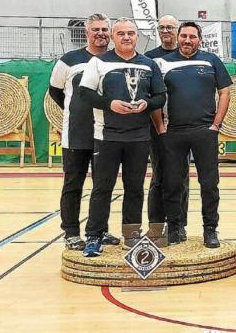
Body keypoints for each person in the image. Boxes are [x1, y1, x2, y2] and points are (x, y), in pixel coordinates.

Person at [79, 17, 166, 257]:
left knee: (135, 188)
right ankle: (94, 237)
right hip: (106, 136)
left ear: (137, 36)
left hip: (139, 137)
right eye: (121, 34)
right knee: (102, 188)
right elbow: (85, 93)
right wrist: (110, 104)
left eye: (131, 33)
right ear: (113, 37)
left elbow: (160, 97)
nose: (126, 37)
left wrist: (146, 104)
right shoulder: (99, 62)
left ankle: (131, 234)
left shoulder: (149, 64)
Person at [153, 21, 232, 248]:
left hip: (204, 132)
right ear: (178, 37)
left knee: (209, 184)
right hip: (173, 133)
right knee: (172, 183)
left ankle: (210, 230)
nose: (188, 40)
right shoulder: (162, 63)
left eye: (192, 37)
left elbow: (225, 91)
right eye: (184, 36)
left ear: (200, 39)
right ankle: (176, 227)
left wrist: (216, 124)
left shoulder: (211, 60)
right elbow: (155, 96)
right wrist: (160, 127)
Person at [48, 13, 119, 250]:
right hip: (76, 135)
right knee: (73, 184)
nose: (100, 33)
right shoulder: (69, 60)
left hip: (106, 135)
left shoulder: (115, 59)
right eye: (95, 29)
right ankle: (70, 232)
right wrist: (76, 112)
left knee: (103, 185)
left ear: (110, 33)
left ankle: (99, 230)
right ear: (86, 33)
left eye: (104, 29)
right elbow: (56, 92)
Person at [145, 15, 191, 240]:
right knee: (159, 176)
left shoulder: (186, 56)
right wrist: (159, 124)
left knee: (181, 176)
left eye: (170, 27)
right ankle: (155, 225)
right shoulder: (149, 58)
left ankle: (179, 224)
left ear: (178, 31)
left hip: (182, 127)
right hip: (157, 128)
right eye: (161, 27)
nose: (165, 31)